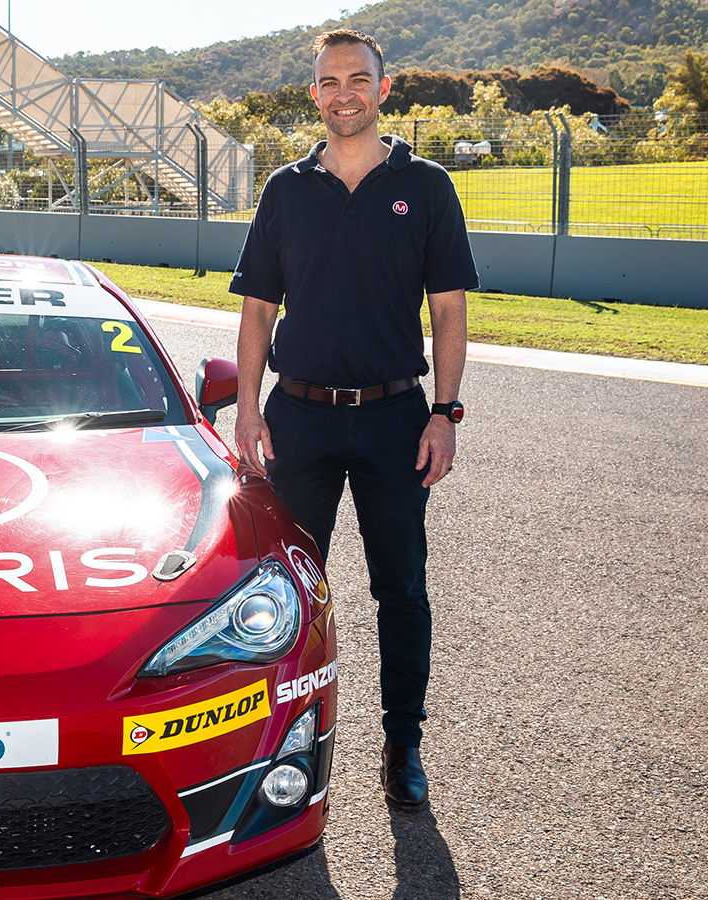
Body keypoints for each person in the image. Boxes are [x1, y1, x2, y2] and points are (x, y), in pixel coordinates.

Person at [228, 29, 474, 808]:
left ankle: (403, 746)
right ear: (314, 94)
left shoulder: (426, 185)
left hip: (396, 418)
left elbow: (450, 311)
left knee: (400, 590)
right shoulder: (285, 188)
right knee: (288, 595)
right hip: (297, 418)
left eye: (357, 79)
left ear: (383, 87)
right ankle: (283, 746)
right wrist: (243, 407)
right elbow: (258, 308)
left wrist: (445, 413)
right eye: (330, 81)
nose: (344, 93)